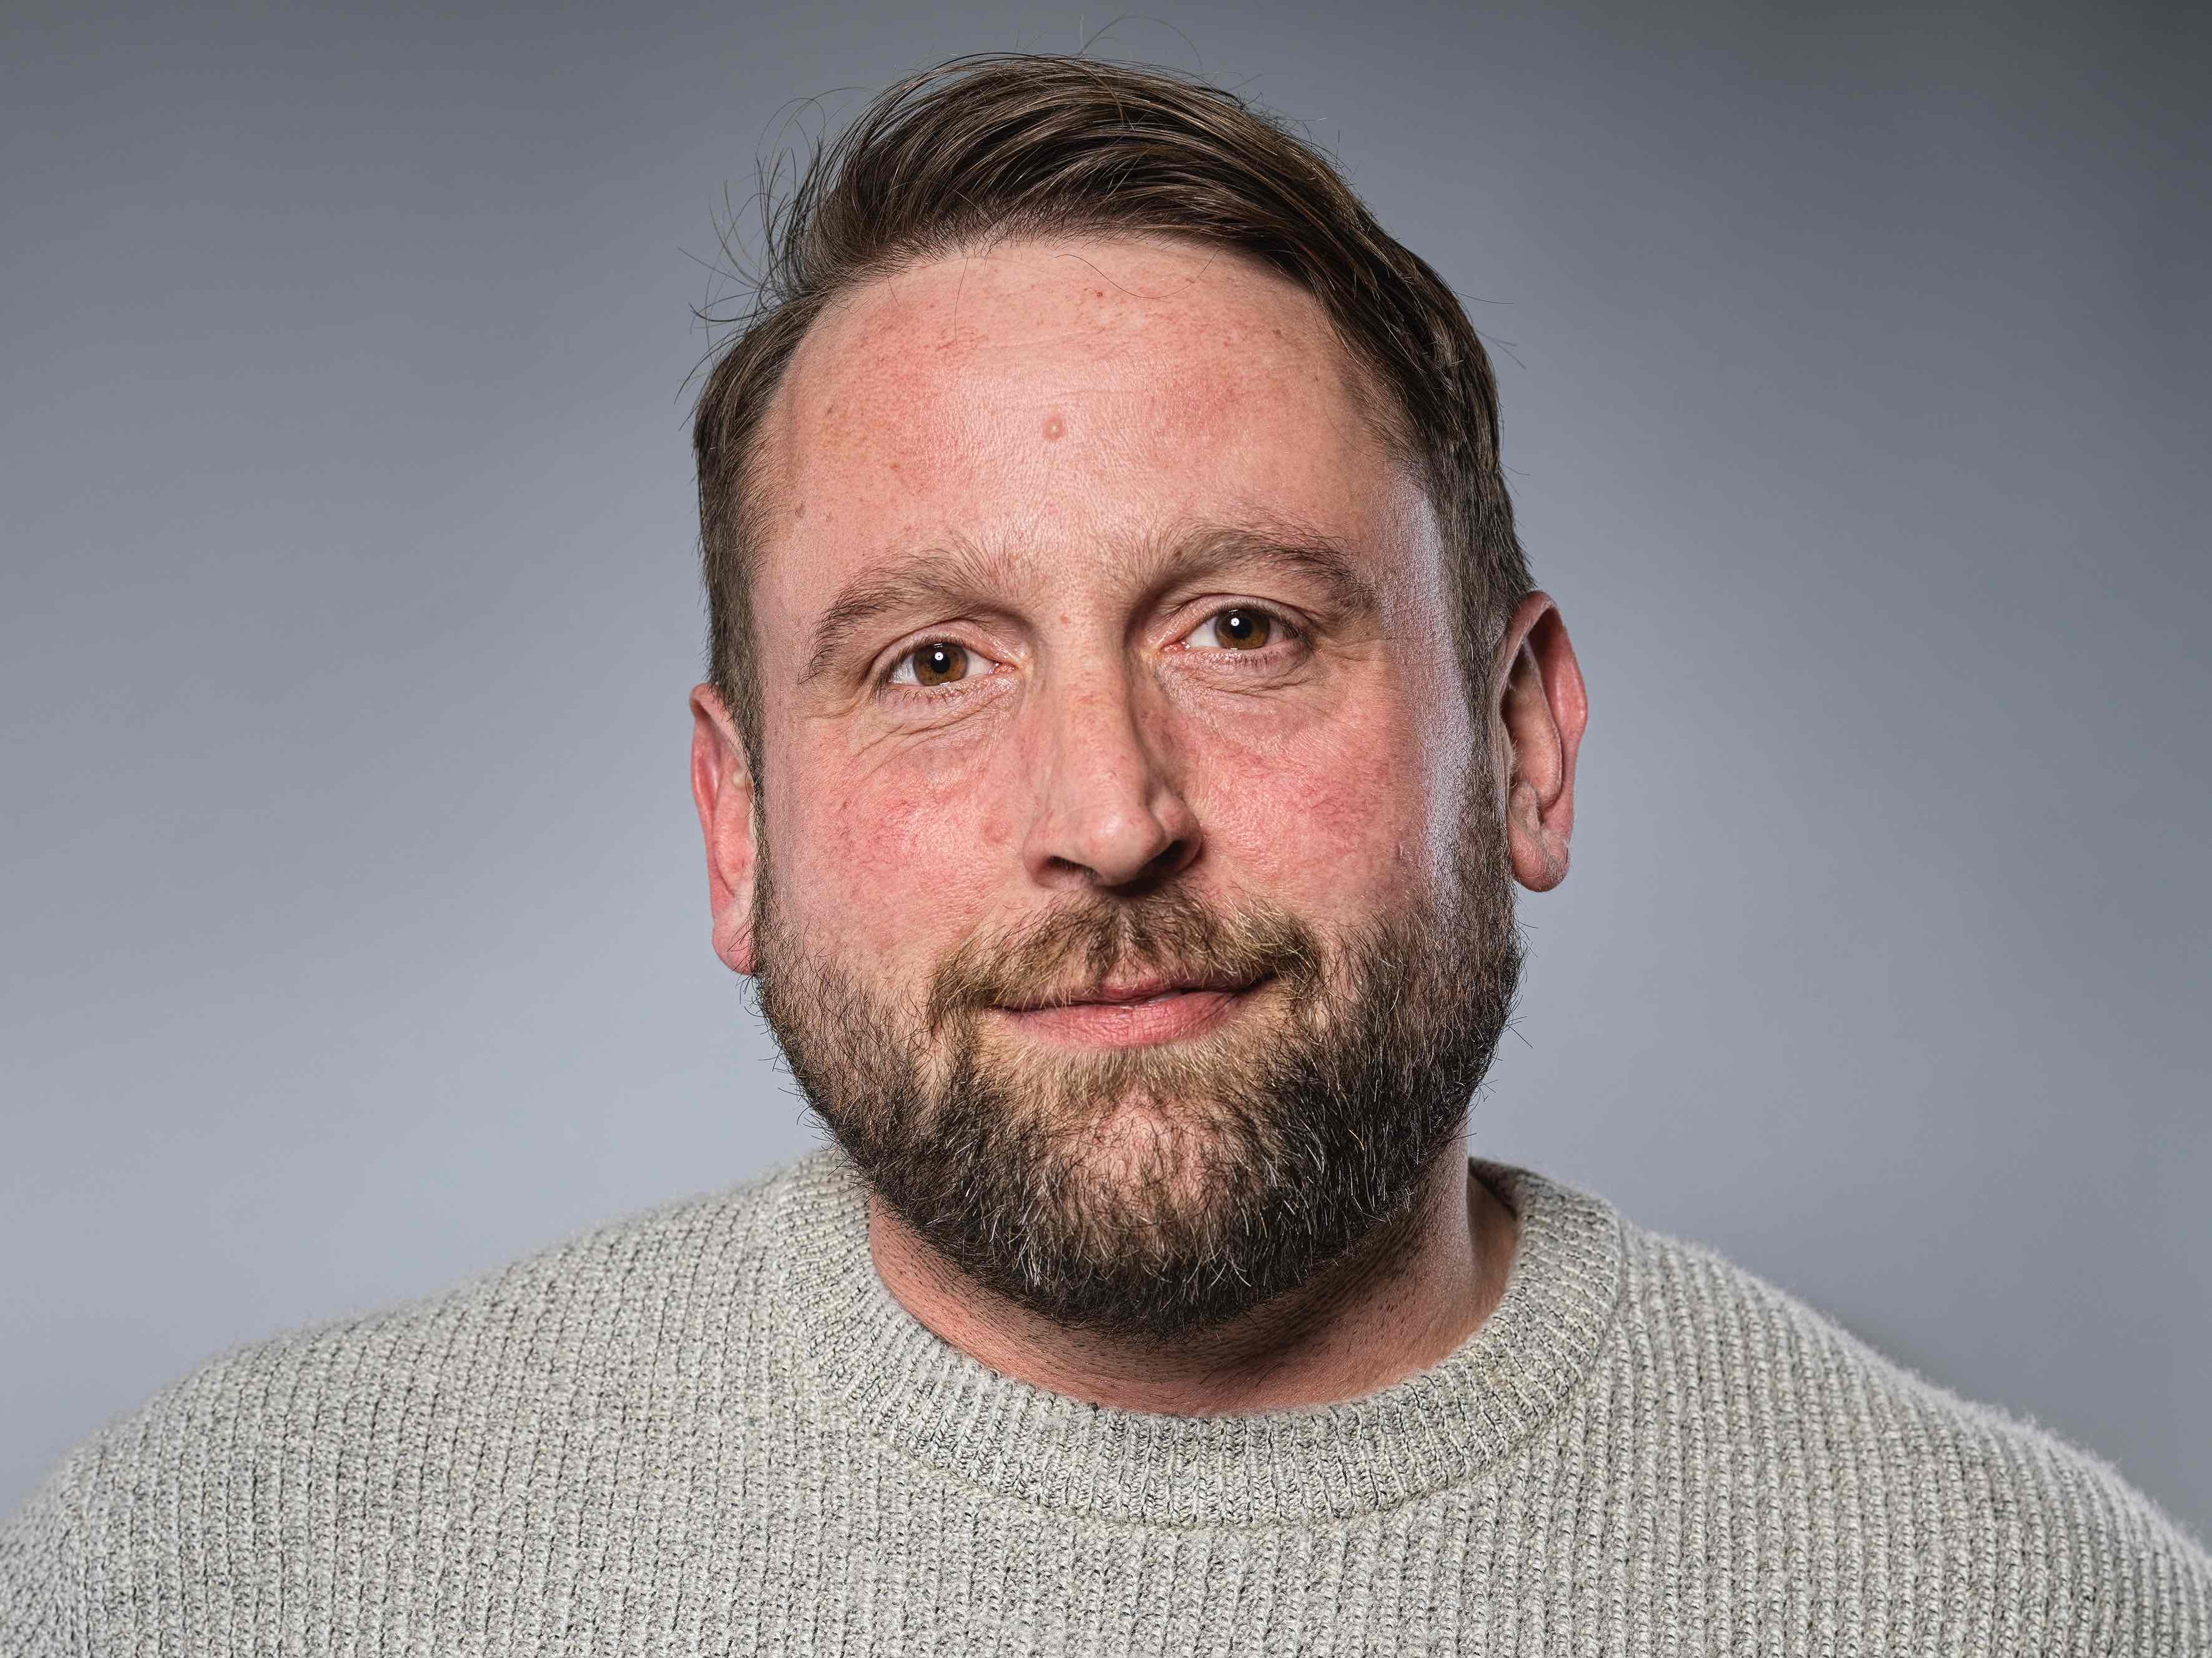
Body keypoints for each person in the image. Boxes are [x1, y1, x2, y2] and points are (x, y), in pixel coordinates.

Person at [4, 52, 2205, 1656]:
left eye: (1243, 629)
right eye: (933, 663)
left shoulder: (2034, 1609)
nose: (1108, 817)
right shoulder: (217, 1572)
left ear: (1526, 744)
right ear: (736, 827)